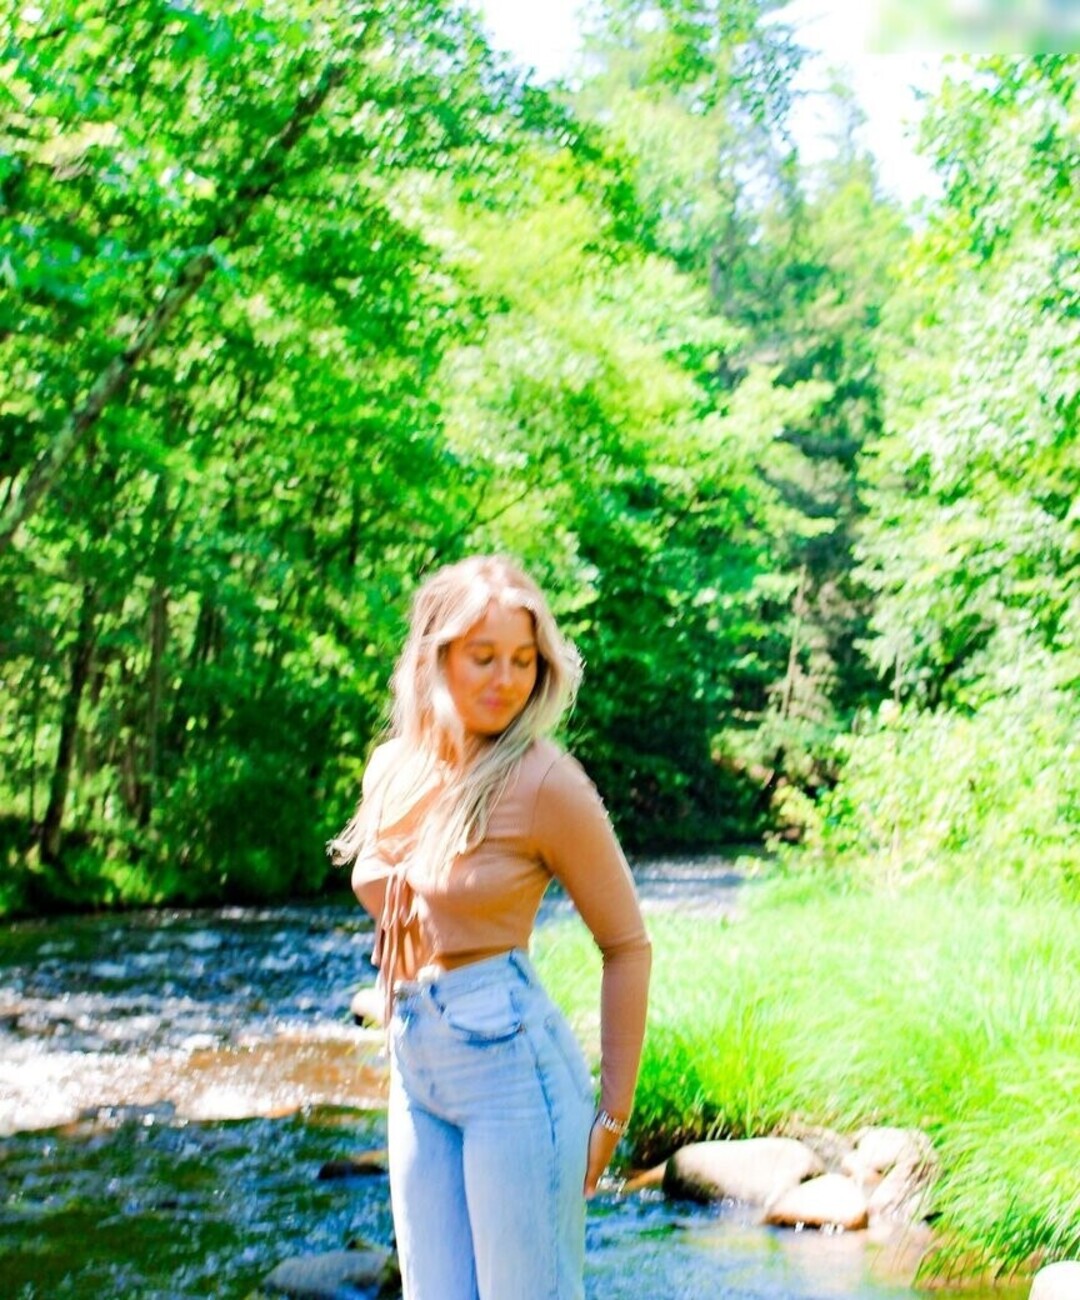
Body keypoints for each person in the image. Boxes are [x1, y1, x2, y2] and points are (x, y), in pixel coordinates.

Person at [329, 554, 651, 1300]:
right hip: (417, 1064)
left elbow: (627, 945)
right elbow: (387, 880)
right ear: (435, 656)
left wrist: (612, 1113)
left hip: (514, 1072)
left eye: (523, 660)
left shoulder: (545, 783)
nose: (507, 680)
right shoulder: (393, 768)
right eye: (484, 657)